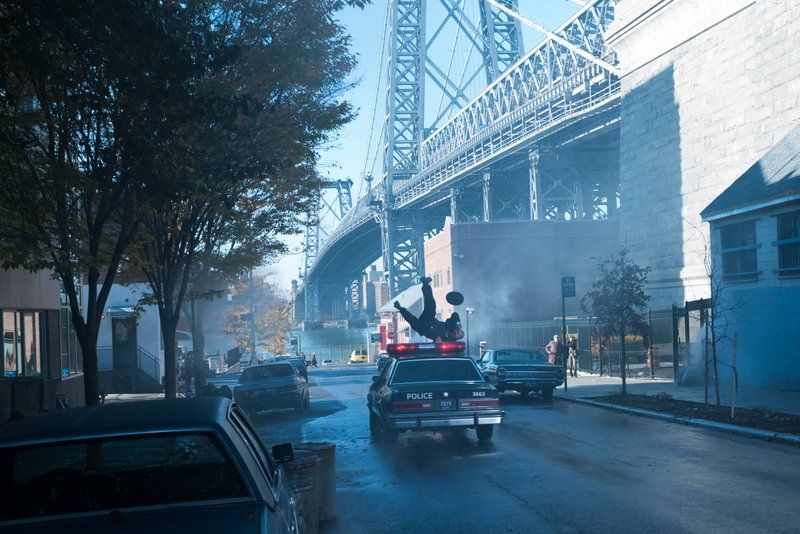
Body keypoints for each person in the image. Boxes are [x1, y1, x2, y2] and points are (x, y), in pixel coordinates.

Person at [393, 276, 464, 342]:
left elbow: (438, 348)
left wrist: (438, 341)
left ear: (457, 339)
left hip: (423, 328)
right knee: (431, 305)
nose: (457, 334)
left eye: (458, 336)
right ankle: (426, 284)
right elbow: (455, 315)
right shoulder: (451, 326)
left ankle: (399, 307)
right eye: (459, 332)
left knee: (411, 319)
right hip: (430, 319)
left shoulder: (449, 342)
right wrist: (458, 323)